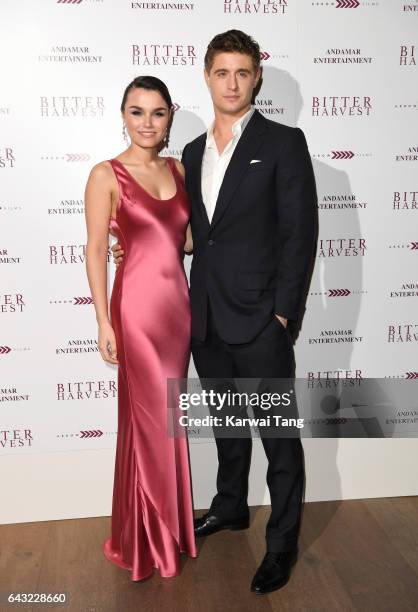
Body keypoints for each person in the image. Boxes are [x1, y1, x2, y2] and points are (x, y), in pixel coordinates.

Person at [112, 30, 317, 593]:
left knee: (277, 435)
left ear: (256, 78)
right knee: (228, 427)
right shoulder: (192, 155)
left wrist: (283, 315)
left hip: (259, 320)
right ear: (206, 76)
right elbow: (190, 234)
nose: (231, 83)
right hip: (201, 317)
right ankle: (229, 507)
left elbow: (300, 235)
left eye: (242, 73)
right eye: (221, 72)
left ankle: (281, 545)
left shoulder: (284, 142)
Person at [84, 75, 197, 582]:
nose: (147, 123)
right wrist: (104, 321)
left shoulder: (179, 170)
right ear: (122, 115)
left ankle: (154, 530)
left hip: (177, 309)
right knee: (150, 423)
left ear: (169, 115)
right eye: (137, 112)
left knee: (162, 422)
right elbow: (93, 250)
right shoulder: (106, 174)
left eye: (156, 112)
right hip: (135, 311)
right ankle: (152, 541)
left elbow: (187, 240)